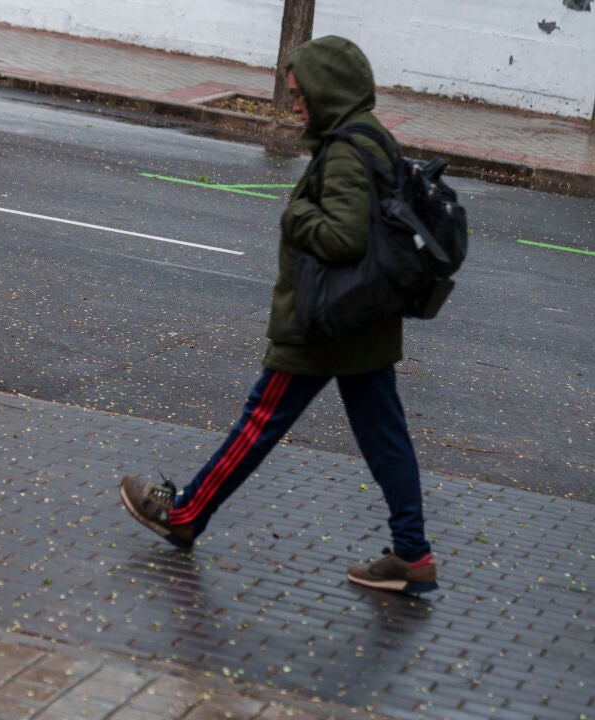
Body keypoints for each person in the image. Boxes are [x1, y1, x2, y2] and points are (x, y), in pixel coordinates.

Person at [119, 35, 437, 595]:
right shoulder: (371, 138)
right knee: (386, 438)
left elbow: (342, 236)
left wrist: (296, 216)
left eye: (300, 94)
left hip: (324, 323)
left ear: (327, 91)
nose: (295, 105)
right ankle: (411, 554)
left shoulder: (345, 151)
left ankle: (186, 514)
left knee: (258, 422)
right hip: (364, 323)